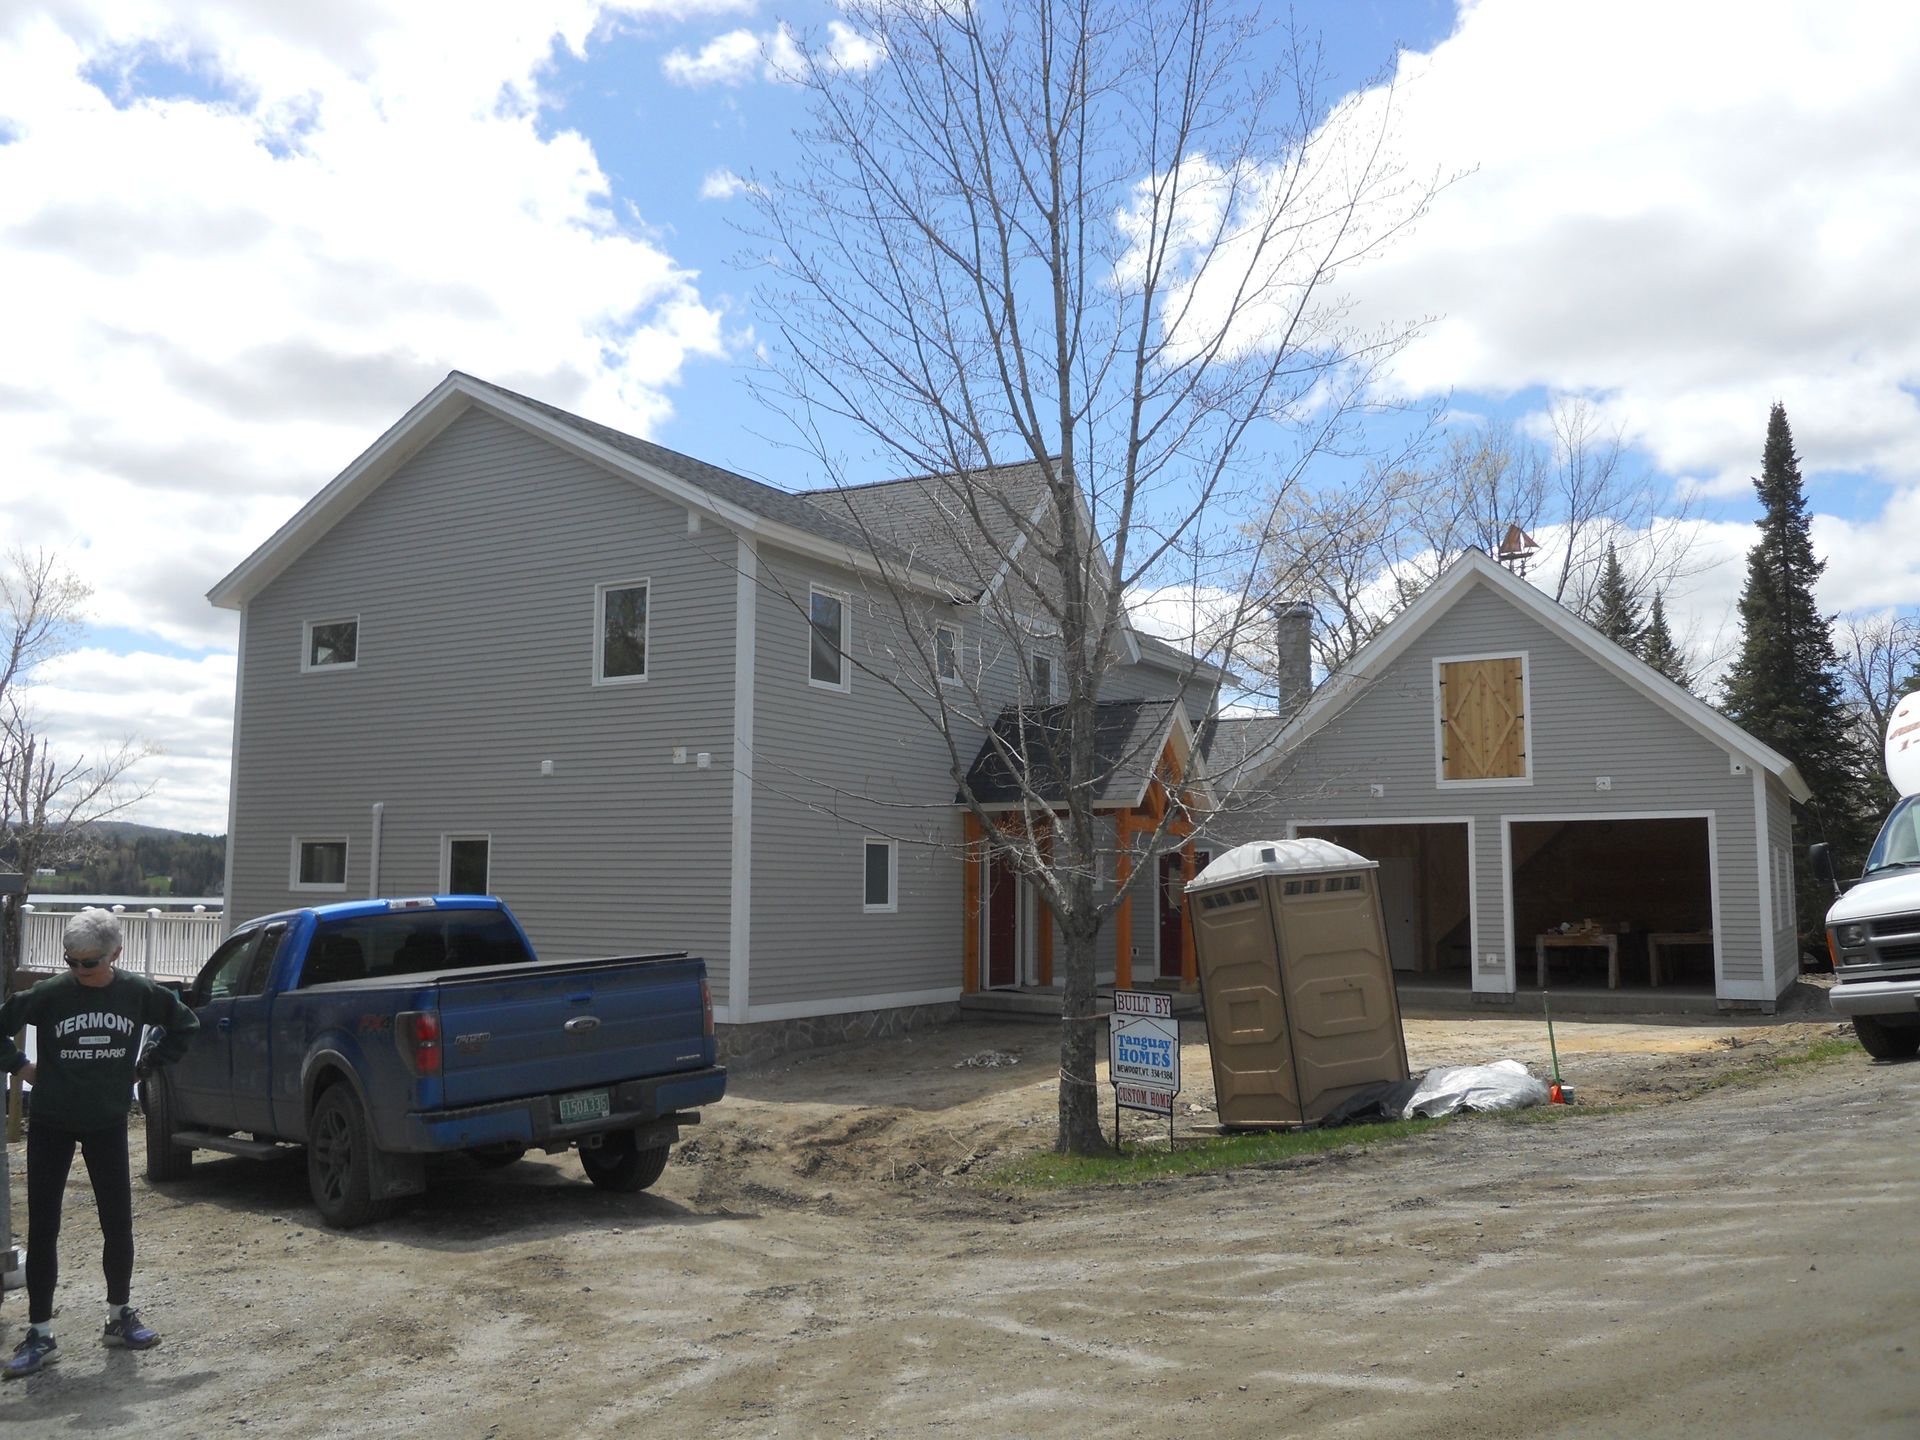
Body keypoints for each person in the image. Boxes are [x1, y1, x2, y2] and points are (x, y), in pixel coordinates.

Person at [0, 907, 199, 1379]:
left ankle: (119, 1317)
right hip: (50, 1121)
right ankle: (41, 1333)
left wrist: (145, 1064)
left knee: (118, 1223)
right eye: (72, 961)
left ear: (116, 954)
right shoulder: (50, 995)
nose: (79, 970)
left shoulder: (137, 993)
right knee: (43, 1228)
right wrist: (20, 1067)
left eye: (89, 962)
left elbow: (185, 1024)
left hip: (108, 1121)